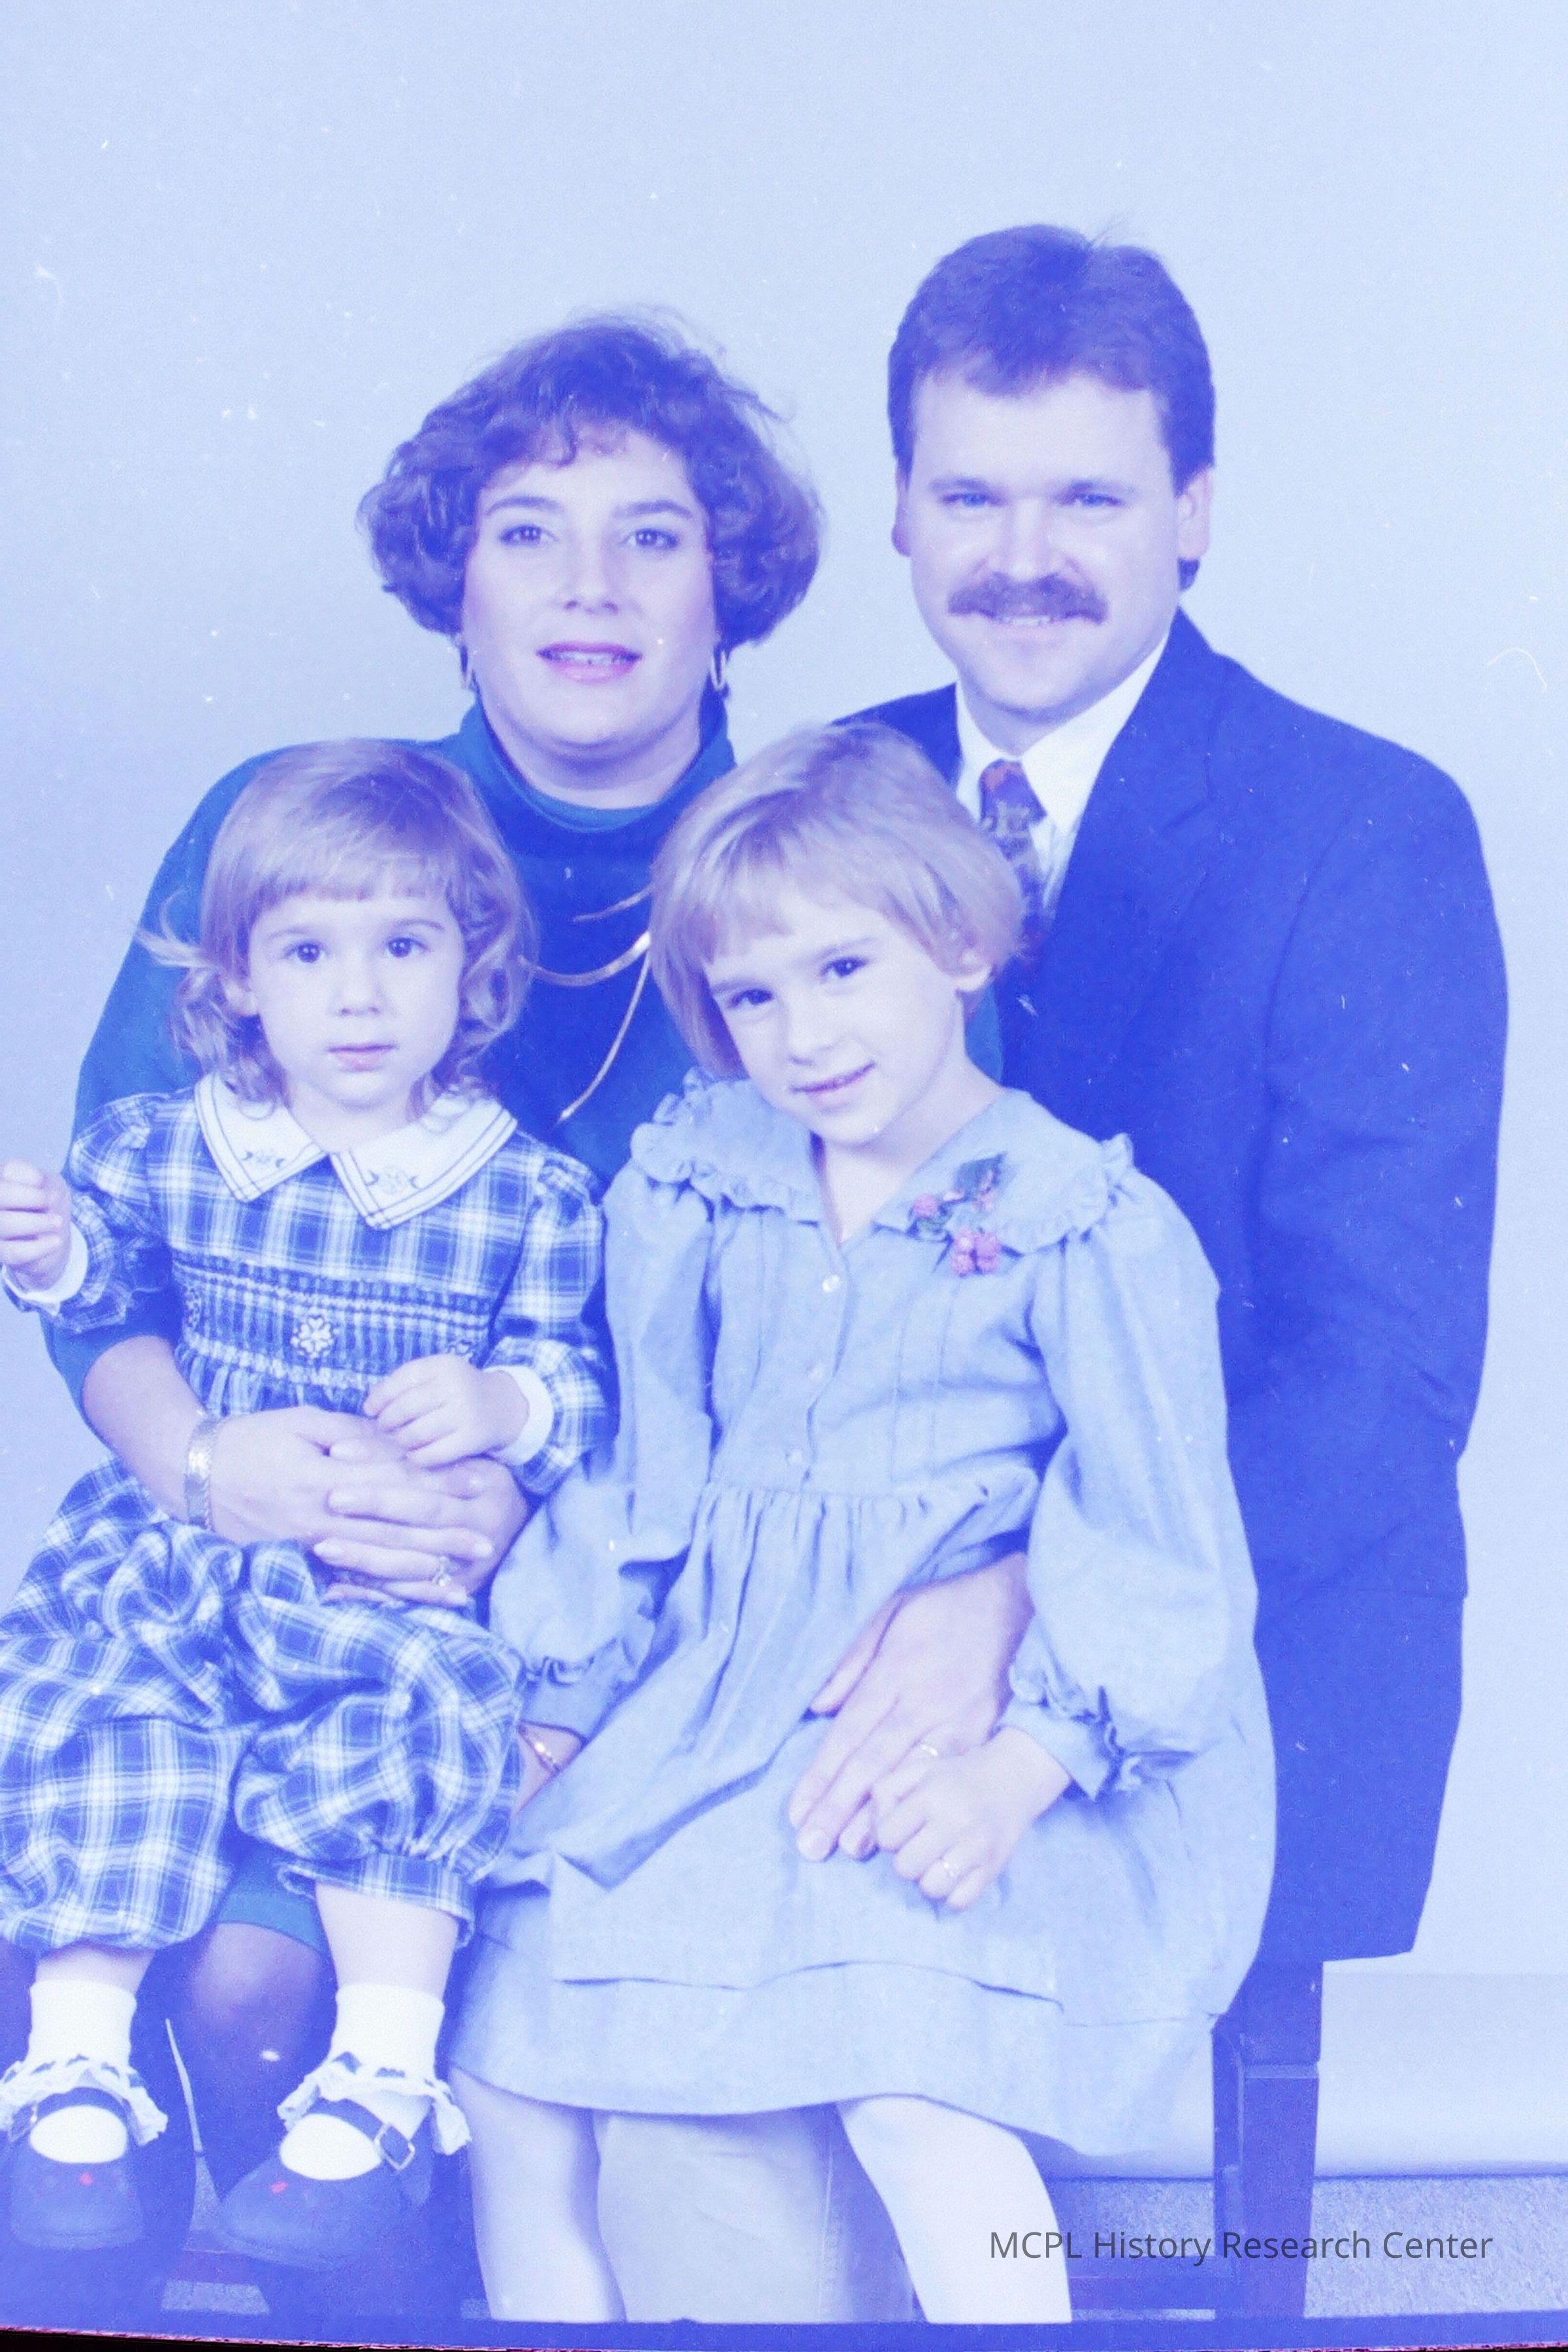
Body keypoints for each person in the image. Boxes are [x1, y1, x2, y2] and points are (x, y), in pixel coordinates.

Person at [1, 312, 962, 2328]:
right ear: (458, 580)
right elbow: (117, 1249)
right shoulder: (295, 822)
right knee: (235, 1971)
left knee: (448, 1983)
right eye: (530, 533)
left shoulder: (827, 868)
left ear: (732, 591)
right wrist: (207, 1461)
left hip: (670, 1610)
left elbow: (906, 1333)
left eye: (652, 537)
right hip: (263, 1553)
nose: (589, 588)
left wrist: (532, 1504)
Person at [817, 227, 1506, 2287]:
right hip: (858, 1615)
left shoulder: (1363, 828)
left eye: (1091, 501)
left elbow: (1381, 1376)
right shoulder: (825, 794)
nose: (1024, 560)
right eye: (972, 496)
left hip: (1237, 1637)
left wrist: (1038, 1603)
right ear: (901, 510)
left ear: (1195, 512)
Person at [447, 723, 1273, 2325]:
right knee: (513, 2065)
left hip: (993, 1734)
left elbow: (1158, 1542)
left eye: (841, 970)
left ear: (959, 948)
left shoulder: (1083, 1225)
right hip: (711, 1696)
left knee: (908, 2086)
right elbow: (642, 1482)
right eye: (752, 998)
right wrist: (556, 1701)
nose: (802, 1036)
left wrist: (1021, 1770)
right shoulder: (699, 1184)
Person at [0, 743, 610, 2271]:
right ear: (237, 977)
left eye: (403, 947)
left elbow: (575, 1379)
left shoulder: (521, 1192)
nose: (358, 998)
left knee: (412, 1727)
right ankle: (74, 2063)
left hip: (377, 1576)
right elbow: (113, 1289)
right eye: (308, 953)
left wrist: (501, 1407)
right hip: (188, 1551)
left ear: (474, 966)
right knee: (111, 1715)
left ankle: (384, 2074)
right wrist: (50, 1255)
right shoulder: (172, 1144)